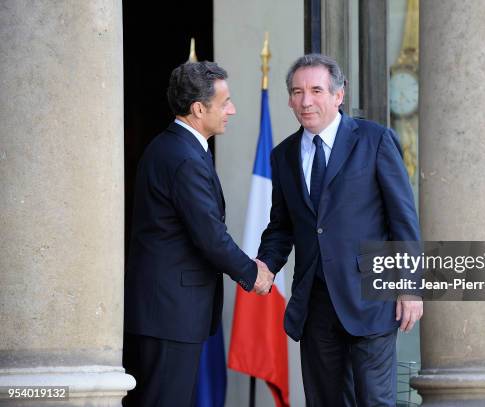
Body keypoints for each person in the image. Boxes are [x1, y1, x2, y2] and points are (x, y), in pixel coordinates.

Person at [257, 54, 422, 406]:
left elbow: (403, 220)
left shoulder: (375, 140)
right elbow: (282, 226)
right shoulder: (282, 155)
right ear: (289, 99)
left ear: (338, 94)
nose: (306, 101)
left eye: (316, 90)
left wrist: (409, 286)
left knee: (374, 401)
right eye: (297, 92)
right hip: (315, 305)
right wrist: (266, 265)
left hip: (371, 298)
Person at [123, 61, 274, 407]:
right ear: (198, 109)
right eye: (225, 103)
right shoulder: (183, 157)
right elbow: (210, 236)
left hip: (168, 313)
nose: (232, 110)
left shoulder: (176, 147)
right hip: (169, 316)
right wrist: (253, 274)